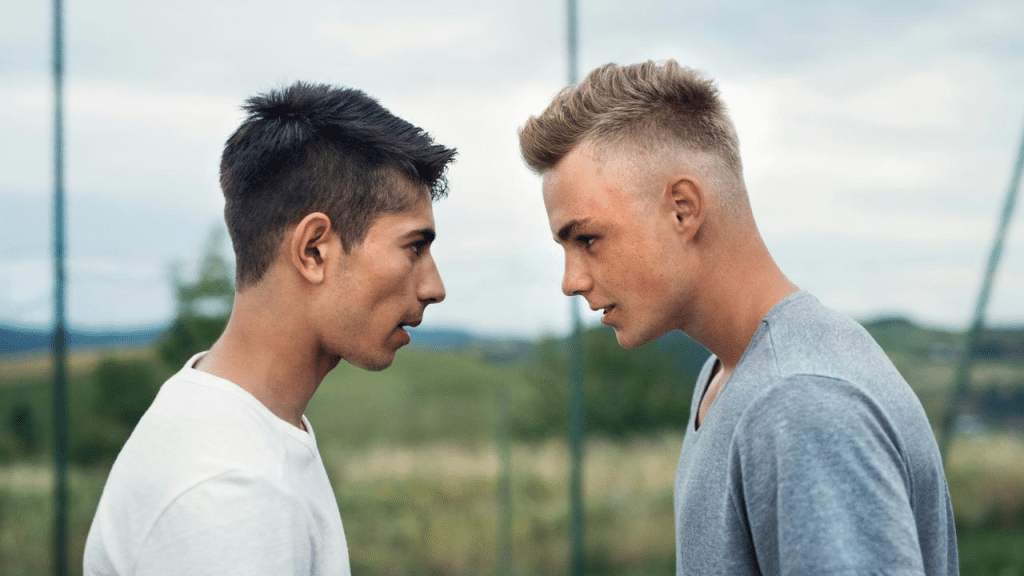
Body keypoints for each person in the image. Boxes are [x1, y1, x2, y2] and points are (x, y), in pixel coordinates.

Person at [519, 60, 958, 575]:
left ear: (683, 208)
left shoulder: (800, 401)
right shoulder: (728, 373)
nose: (572, 280)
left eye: (587, 239)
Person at [84, 82, 456, 575]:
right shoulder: (229, 492)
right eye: (413, 247)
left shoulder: (242, 434)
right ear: (314, 251)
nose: (434, 286)